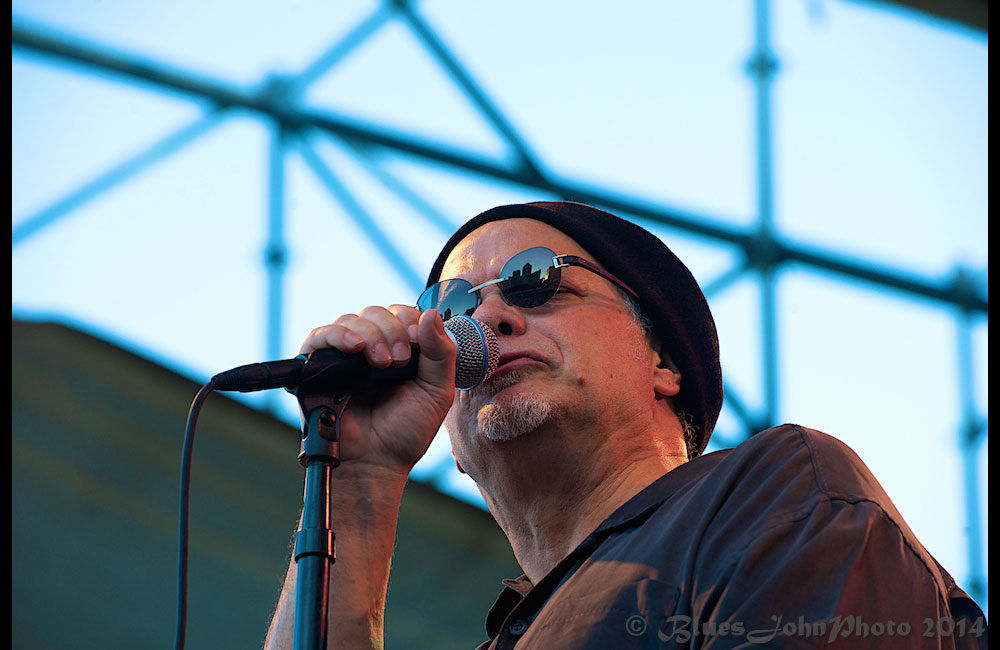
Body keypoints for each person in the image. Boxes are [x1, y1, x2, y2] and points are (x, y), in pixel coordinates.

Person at [265, 202, 986, 649]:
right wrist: (359, 482)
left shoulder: (771, 492)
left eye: (536, 279)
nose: (485, 319)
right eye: (451, 307)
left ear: (663, 361)